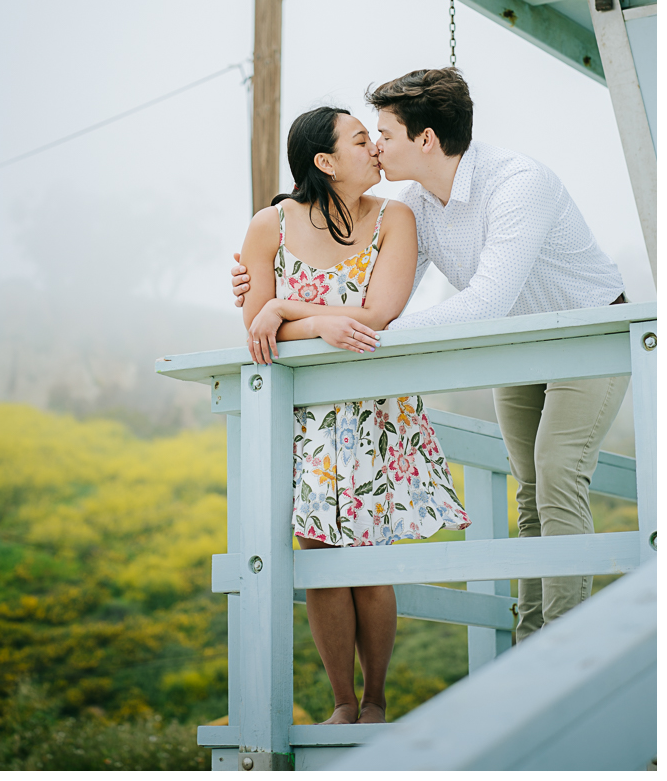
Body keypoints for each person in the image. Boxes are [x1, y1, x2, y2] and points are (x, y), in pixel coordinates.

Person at [233, 68, 630, 643]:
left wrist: (338, 326)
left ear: (424, 140)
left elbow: (485, 302)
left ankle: (566, 644)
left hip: (590, 335)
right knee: (528, 489)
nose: (376, 146)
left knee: (558, 473)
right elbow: (379, 300)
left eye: (384, 135)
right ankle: (530, 640)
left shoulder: (519, 184)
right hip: (519, 347)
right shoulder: (416, 202)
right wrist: (267, 295)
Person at [238, 104, 471, 725]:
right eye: (361, 140)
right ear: (325, 161)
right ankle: (342, 700)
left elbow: (379, 313)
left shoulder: (395, 216)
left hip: (374, 411)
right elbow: (258, 333)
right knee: (317, 554)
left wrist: (290, 308)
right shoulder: (269, 227)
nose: (375, 149)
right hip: (305, 417)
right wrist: (310, 323)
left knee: (368, 553)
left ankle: (376, 700)